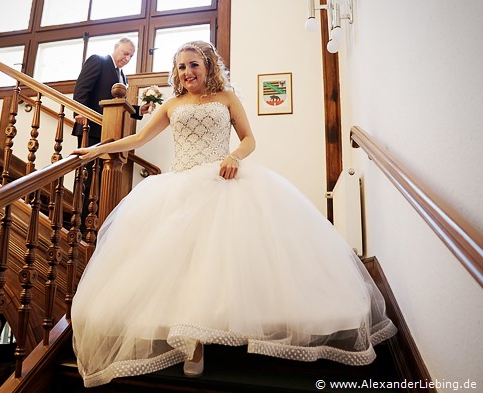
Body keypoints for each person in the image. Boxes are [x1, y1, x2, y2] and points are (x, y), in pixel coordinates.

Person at [70, 41, 397, 388]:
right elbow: (135, 140)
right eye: (181, 67)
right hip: (179, 186)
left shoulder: (226, 98)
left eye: (193, 65)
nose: (187, 73)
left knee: (220, 266)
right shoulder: (172, 104)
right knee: (180, 266)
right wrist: (96, 148)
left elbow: (249, 139)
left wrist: (235, 157)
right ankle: (189, 343)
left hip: (222, 179)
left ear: (208, 66)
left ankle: (217, 333)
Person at [71, 37, 153, 234]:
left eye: (131, 56)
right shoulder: (98, 60)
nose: (127, 58)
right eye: (125, 53)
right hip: (89, 129)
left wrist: (138, 110)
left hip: (108, 133)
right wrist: (78, 111)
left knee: (100, 180)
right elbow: (82, 88)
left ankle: (94, 222)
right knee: (89, 177)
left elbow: (116, 104)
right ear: (116, 47)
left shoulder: (122, 76)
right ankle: (81, 225)